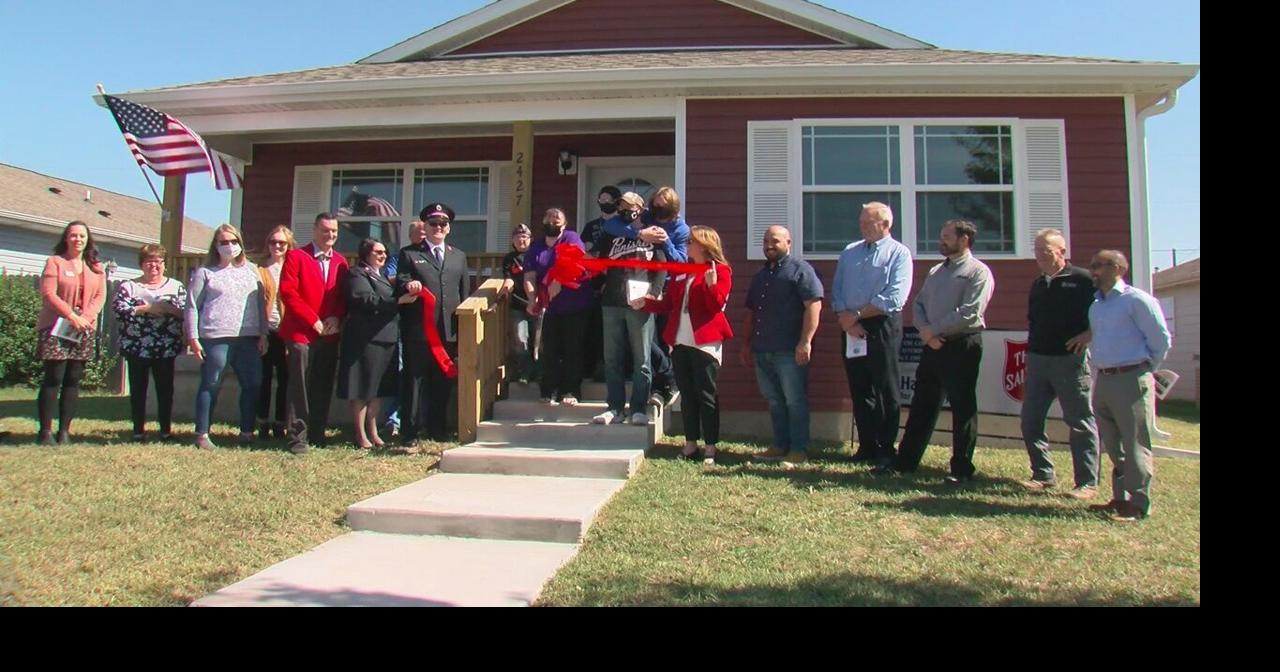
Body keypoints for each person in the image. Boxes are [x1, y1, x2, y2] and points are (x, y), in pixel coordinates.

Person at [875, 220, 994, 484]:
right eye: (942, 236)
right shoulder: (936, 271)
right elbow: (918, 304)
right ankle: (905, 462)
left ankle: (961, 468)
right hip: (932, 345)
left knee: (962, 407)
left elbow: (970, 312)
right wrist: (925, 332)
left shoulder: (978, 272)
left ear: (964, 240)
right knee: (922, 405)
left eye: (947, 237)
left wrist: (934, 330)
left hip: (962, 344)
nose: (941, 241)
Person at [1084, 250, 1171, 522]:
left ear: (1118, 268)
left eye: (1099, 265)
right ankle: (1119, 499)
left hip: (1131, 378)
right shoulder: (1096, 305)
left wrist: (1145, 371)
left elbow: (1160, 340)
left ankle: (1138, 502)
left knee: (1134, 441)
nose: (1093, 271)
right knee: (1112, 441)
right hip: (1105, 378)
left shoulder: (1137, 300)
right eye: (1092, 266)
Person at [1019, 228, 1101, 498]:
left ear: (1062, 252)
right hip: (1039, 360)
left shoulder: (1083, 280)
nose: (1040, 255)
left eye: (1047, 250)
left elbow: (1105, 311)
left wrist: (1089, 334)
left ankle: (1087, 483)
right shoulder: (1038, 283)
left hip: (1070, 361)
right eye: (1037, 250)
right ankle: (1042, 474)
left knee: (1079, 422)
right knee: (1030, 420)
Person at [831, 202, 913, 466]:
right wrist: (846, 319)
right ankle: (866, 445)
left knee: (885, 389)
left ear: (886, 225)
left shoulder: (899, 254)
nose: (863, 227)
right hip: (850, 327)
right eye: (861, 222)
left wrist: (857, 316)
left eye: (869, 223)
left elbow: (894, 298)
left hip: (881, 325)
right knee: (859, 386)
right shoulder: (849, 252)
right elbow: (838, 289)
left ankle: (885, 447)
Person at [644, 225, 733, 467]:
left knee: (706, 395)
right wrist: (645, 303)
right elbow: (669, 304)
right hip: (680, 340)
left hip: (704, 342)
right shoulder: (683, 271)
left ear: (705, 245)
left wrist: (711, 284)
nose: (686, 245)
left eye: (691, 242)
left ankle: (711, 446)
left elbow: (715, 305)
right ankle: (691, 443)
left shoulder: (721, 270)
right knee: (688, 395)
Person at [741, 226, 823, 465]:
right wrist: (746, 345)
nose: (769, 245)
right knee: (775, 400)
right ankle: (780, 445)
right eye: (766, 240)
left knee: (795, 401)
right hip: (762, 349)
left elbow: (814, 306)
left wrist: (805, 341)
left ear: (788, 242)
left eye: (775, 241)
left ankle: (798, 450)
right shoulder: (761, 276)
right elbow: (751, 313)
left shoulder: (801, 270)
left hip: (790, 349)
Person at [186, 224, 268, 450]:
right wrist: (193, 338)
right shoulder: (205, 273)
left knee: (252, 384)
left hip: (248, 337)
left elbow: (261, 303)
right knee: (211, 382)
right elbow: (192, 306)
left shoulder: (252, 270)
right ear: (215, 245)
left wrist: (263, 333)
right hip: (216, 336)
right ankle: (202, 433)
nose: (229, 246)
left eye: (233, 241)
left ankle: (247, 431)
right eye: (223, 242)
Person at [592, 192, 667, 426]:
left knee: (642, 358)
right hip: (612, 302)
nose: (625, 210)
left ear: (640, 208)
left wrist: (653, 293)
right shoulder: (611, 233)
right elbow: (597, 261)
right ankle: (614, 408)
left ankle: (638, 408)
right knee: (612, 358)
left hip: (640, 303)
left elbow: (661, 268)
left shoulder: (653, 233)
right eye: (621, 206)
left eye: (629, 206)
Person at [396, 203, 469, 443]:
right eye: (433, 223)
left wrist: (461, 329)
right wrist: (409, 285)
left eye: (443, 224)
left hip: (448, 332)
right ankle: (410, 431)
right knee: (414, 381)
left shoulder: (459, 256)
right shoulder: (410, 253)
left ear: (449, 228)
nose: (438, 227)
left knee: (442, 381)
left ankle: (437, 429)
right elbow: (401, 281)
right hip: (419, 331)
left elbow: (464, 293)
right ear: (424, 227)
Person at [278, 213, 349, 454]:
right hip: (301, 333)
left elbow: (342, 297)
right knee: (300, 384)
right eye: (326, 230)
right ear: (315, 230)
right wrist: (312, 321)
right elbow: (288, 293)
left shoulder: (341, 262)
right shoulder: (297, 257)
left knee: (323, 383)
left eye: (334, 232)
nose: (330, 235)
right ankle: (297, 437)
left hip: (329, 332)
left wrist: (335, 317)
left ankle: (317, 432)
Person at [35, 220, 107, 445]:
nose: (78, 239)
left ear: (88, 240)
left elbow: (100, 297)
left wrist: (85, 318)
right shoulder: (55, 262)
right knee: (54, 377)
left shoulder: (96, 268)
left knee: (73, 379)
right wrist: (71, 315)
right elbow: (48, 294)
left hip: (83, 328)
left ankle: (64, 430)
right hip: (56, 327)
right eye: (74, 235)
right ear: (66, 238)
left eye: (82, 236)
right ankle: (46, 431)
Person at [339, 238, 411, 449]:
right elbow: (364, 299)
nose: (382, 256)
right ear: (365, 253)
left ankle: (374, 431)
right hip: (364, 339)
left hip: (387, 338)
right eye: (377, 252)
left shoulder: (381, 276)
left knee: (378, 389)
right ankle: (360, 435)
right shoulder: (357, 273)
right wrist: (398, 301)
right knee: (362, 388)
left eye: (384, 252)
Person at [112, 243, 186, 442]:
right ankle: (138, 430)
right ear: (141, 264)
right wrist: (146, 309)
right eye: (149, 262)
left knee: (165, 389)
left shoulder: (176, 286)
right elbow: (119, 310)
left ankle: (165, 430)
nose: (154, 266)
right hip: (137, 346)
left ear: (164, 264)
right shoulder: (129, 286)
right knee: (138, 389)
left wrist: (168, 309)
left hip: (166, 347)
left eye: (158, 261)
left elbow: (187, 313)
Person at [523, 209, 593, 406]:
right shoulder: (536, 246)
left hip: (575, 303)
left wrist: (559, 280)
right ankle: (548, 389)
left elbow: (577, 261)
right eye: (548, 218)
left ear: (564, 223)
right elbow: (529, 276)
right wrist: (532, 297)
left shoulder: (571, 237)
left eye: (557, 219)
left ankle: (570, 390)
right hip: (549, 306)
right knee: (550, 348)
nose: (552, 222)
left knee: (573, 347)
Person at [256, 225, 294, 440]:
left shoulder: (292, 266)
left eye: (282, 243)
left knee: (285, 380)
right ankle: (262, 422)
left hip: (286, 331)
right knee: (264, 379)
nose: (277, 246)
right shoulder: (259, 269)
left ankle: (281, 423)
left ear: (289, 245)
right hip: (265, 330)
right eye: (273, 242)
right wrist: (260, 333)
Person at [502, 223, 538, 384]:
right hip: (518, 305)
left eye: (524, 236)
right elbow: (508, 276)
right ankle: (525, 372)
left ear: (531, 239)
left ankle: (540, 372)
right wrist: (505, 286)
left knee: (539, 340)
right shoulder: (509, 259)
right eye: (518, 237)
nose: (521, 240)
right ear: (512, 240)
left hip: (539, 303)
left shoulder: (537, 254)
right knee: (520, 339)